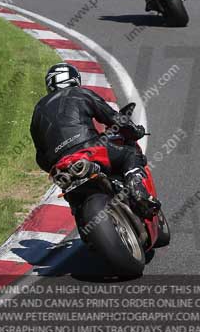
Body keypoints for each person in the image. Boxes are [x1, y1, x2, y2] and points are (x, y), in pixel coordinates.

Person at [30, 63, 160, 217]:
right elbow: (113, 118)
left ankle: (78, 210)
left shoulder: (38, 110)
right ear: (74, 79)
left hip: (60, 166)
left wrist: (53, 164)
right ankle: (136, 186)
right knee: (130, 154)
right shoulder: (80, 93)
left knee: (69, 192)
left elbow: (40, 155)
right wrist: (134, 131)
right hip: (89, 149)